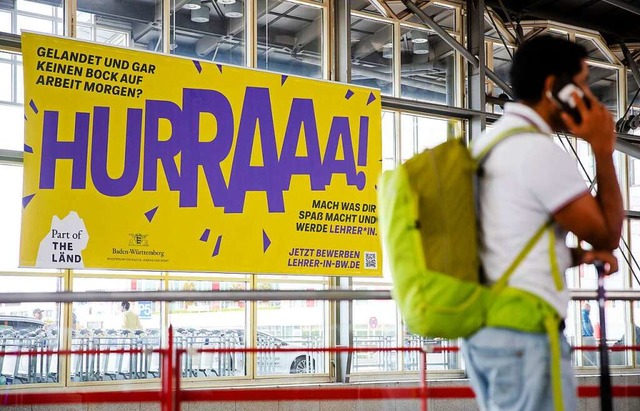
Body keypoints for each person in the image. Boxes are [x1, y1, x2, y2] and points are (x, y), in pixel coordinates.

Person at [462, 35, 623, 411]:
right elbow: (607, 232)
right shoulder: (537, 152)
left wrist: (576, 257)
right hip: (526, 333)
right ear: (555, 88)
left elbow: (508, 241)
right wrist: (603, 148)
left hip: (482, 333)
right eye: (582, 84)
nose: (589, 96)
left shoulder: (485, 145)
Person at [581, 302, 598, 366]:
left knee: (588, 354)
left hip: (586, 336)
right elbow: (586, 325)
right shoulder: (584, 314)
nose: (590, 310)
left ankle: (590, 365)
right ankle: (591, 366)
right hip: (587, 337)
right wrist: (590, 334)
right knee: (591, 354)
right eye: (589, 308)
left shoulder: (584, 314)